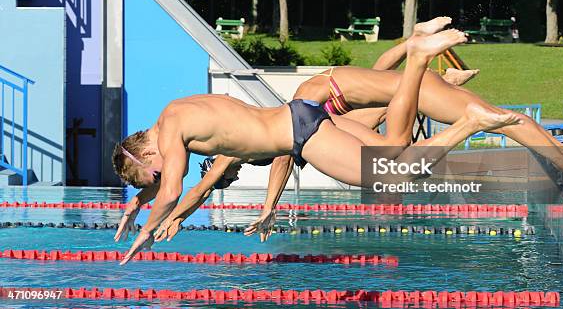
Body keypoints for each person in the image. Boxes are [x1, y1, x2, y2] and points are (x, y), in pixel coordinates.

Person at [113, 29, 522, 264]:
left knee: (392, 174)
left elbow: (172, 190)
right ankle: (417, 61)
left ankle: (461, 111)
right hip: (301, 114)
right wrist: (136, 203)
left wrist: (145, 234)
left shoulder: (169, 134)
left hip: (301, 134)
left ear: (147, 153)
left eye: (153, 170)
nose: (163, 171)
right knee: (395, 148)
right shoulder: (175, 111)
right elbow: (161, 183)